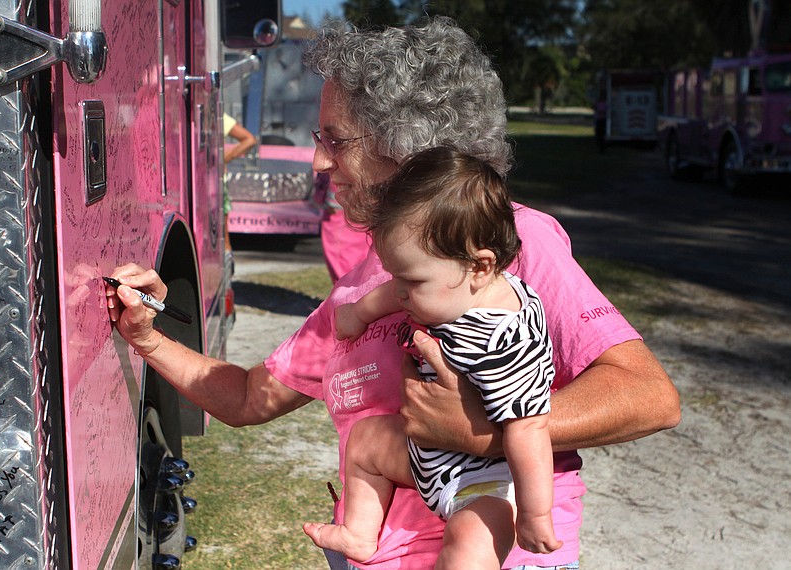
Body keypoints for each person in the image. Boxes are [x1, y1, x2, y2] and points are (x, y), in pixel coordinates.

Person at [105, 16, 680, 570]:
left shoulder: (507, 242)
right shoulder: (367, 282)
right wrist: (148, 339)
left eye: (336, 139)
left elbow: (647, 394)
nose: (319, 160)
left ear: (408, 147)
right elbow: (249, 398)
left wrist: (484, 428)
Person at [303, 146, 562, 568]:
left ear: (480, 267)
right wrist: (357, 313)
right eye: (397, 276)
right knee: (366, 439)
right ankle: (359, 534)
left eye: (413, 281)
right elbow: (393, 291)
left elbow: (530, 428)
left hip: (482, 483)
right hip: (424, 458)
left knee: (468, 552)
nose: (401, 292)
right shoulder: (453, 284)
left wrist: (535, 515)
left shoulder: (503, 339)